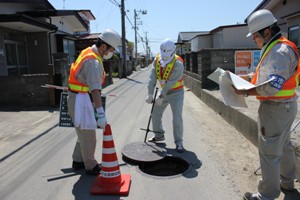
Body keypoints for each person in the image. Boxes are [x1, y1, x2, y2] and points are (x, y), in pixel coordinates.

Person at [233, 9, 300, 200]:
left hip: (275, 108)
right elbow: (264, 76)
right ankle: (287, 182)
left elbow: (272, 86)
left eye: (255, 35)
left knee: (269, 152)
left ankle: (266, 195)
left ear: (267, 32)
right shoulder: (276, 47)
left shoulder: (278, 51)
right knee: (284, 145)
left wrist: (245, 91)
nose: (254, 39)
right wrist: (244, 78)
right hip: (285, 106)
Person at [67, 29, 121, 175]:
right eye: (111, 49)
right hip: (81, 100)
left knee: (82, 132)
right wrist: (100, 113)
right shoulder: (93, 62)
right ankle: (90, 166)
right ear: (104, 46)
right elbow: (95, 90)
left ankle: (78, 161)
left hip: (78, 98)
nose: (111, 53)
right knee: (88, 135)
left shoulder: (88, 52)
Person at [145, 38, 185, 153]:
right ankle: (159, 135)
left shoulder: (178, 63)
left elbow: (171, 82)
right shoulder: (157, 59)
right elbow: (152, 78)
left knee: (177, 117)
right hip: (163, 91)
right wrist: (150, 94)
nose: (164, 57)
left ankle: (179, 142)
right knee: (155, 113)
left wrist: (161, 96)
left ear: (173, 52)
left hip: (176, 92)